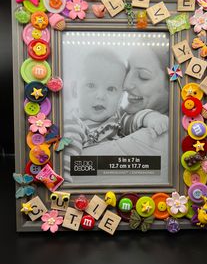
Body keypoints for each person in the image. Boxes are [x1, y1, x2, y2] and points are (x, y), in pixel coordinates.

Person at [63, 49, 168, 182]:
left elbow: (136, 119)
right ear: (74, 89)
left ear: (120, 96)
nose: (100, 96)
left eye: (111, 89)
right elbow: (68, 160)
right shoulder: (73, 124)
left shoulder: (118, 119)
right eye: (91, 85)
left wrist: (152, 118)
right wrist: (65, 184)